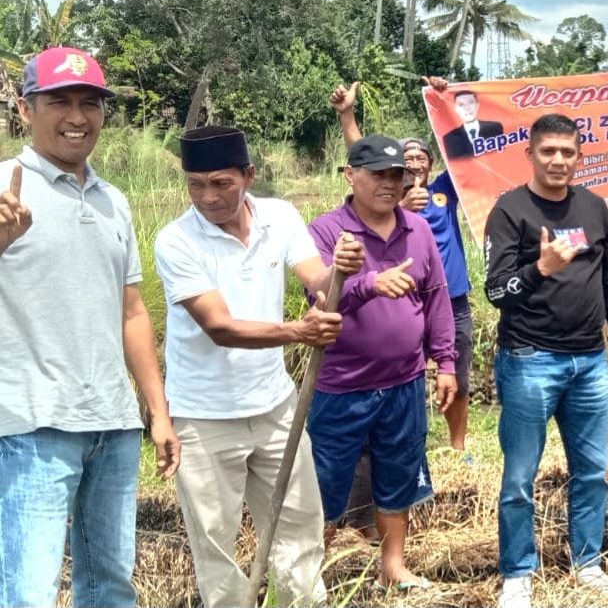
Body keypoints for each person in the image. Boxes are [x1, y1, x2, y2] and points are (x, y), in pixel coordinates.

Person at [0, 47, 179, 608]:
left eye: (90, 103)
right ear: (26, 110)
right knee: (28, 592)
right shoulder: (3, 187)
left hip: (112, 424)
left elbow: (131, 311)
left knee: (110, 588)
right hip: (32, 423)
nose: (77, 117)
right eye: (59, 102)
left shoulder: (114, 201)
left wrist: (157, 409)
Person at [154, 126, 362, 607]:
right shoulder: (176, 241)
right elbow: (220, 327)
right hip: (204, 418)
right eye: (195, 184)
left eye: (221, 183)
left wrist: (343, 269)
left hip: (274, 405)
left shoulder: (280, 215)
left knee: (299, 527)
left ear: (249, 175)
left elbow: (318, 279)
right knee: (215, 545)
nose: (207, 197)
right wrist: (297, 331)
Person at [484, 113, 608, 608]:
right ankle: (517, 572)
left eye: (568, 152)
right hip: (529, 359)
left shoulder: (593, 207)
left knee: (592, 471)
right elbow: (495, 291)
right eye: (548, 151)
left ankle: (587, 562)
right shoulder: (510, 210)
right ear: (529, 154)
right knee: (521, 476)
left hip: (590, 361)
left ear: (579, 156)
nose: (558, 161)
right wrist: (540, 269)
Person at [307, 134, 458, 590]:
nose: (390, 184)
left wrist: (446, 362)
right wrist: (368, 283)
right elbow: (319, 297)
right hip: (342, 384)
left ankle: (392, 566)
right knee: (325, 479)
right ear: (351, 175)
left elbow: (436, 299)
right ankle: (313, 571)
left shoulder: (419, 228)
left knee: (398, 473)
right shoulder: (327, 231)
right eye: (379, 174)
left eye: (398, 176)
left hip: (404, 381)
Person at [331, 79, 474, 453]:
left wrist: (447, 103)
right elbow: (362, 159)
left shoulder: (445, 188)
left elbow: (464, 152)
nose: (413, 163)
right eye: (405, 161)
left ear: (429, 162)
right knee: (401, 372)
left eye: (419, 157)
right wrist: (347, 115)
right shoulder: (390, 201)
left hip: (448, 298)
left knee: (455, 371)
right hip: (398, 296)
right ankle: (405, 442)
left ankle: (457, 446)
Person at [442, 89, 504, 159]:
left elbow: (503, 155)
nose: (467, 108)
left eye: (470, 103)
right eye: (461, 105)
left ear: (477, 105)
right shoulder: (450, 138)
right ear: (456, 109)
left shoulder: (495, 128)